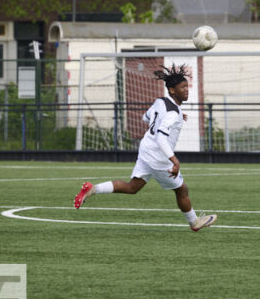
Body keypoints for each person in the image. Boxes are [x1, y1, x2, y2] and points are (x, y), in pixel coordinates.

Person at [74, 64, 217, 232]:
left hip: (146, 149)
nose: (186, 90)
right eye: (182, 87)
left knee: (133, 187)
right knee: (182, 189)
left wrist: (176, 116)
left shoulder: (160, 102)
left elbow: (146, 117)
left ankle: (93, 189)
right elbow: (161, 138)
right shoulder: (173, 114)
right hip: (158, 156)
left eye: (187, 86)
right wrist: (174, 160)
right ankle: (194, 222)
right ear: (172, 90)